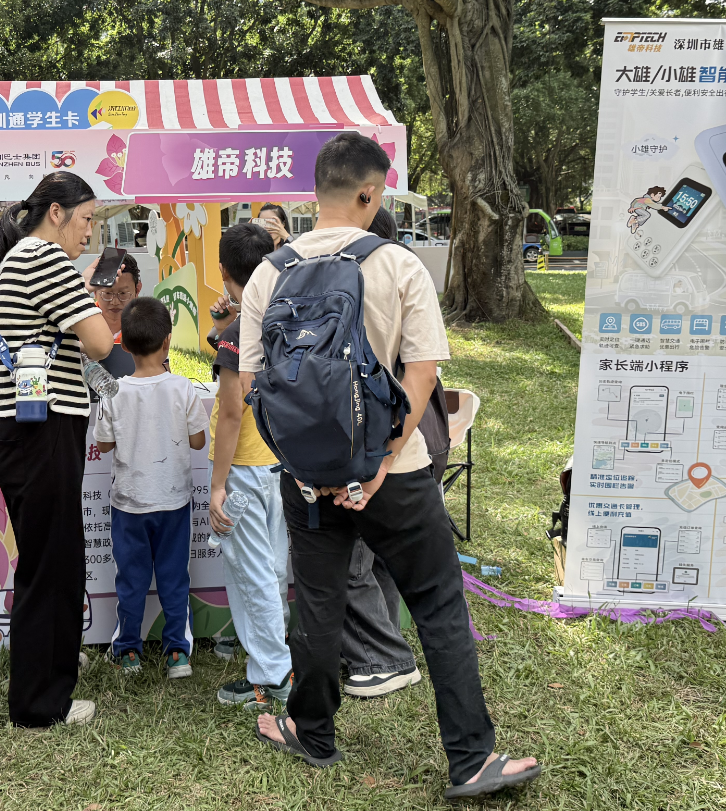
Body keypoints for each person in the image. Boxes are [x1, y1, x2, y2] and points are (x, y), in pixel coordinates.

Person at [239, 133, 540, 799]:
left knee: (317, 601)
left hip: (305, 477)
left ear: (315, 193)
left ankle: (311, 731)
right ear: (369, 194)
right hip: (396, 473)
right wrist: (374, 464)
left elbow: (255, 388)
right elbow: (421, 375)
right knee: (436, 601)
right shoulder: (398, 264)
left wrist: (304, 466)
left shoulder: (268, 273)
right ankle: (470, 759)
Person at [0, 171, 114, 727]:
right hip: (43, 432)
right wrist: (88, 299)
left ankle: (51, 670)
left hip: (27, 431)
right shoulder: (44, 257)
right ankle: (40, 704)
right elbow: (101, 342)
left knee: (51, 558)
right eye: (86, 219)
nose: (90, 232)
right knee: (51, 564)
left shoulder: (22, 258)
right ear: (56, 213)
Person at [94, 297, 208, 678]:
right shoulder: (182, 388)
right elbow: (198, 441)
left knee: (131, 580)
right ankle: (177, 655)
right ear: (168, 341)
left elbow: (104, 444)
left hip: (129, 504)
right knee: (175, 578)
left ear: (123, 344)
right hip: (174, 502)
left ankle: (128, 651)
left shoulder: (113, 391)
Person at [206, 223, 293, 709]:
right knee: (272, 569)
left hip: (242, 469)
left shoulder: (240, 334)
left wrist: (217, 485)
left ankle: (272, 677)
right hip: (282, 464)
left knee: (254, 573)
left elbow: (231, 412)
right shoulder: (283, 317)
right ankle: (276, 659)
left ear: (223, 270)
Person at [339, 205, 422, 698]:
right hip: (410, 448)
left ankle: (384, 657)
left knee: (353, 564)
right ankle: (387, 639)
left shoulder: (362, 286)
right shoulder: (407, 278)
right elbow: (424, 372)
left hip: (376, 451)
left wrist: (384, 458)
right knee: (382, 557)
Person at [88, 253, 142, 380]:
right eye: (107, 293)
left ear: (137, 290)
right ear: (95, 291)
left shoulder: (147, 324)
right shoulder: (80, 322)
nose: (115, 302)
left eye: (123, 293)